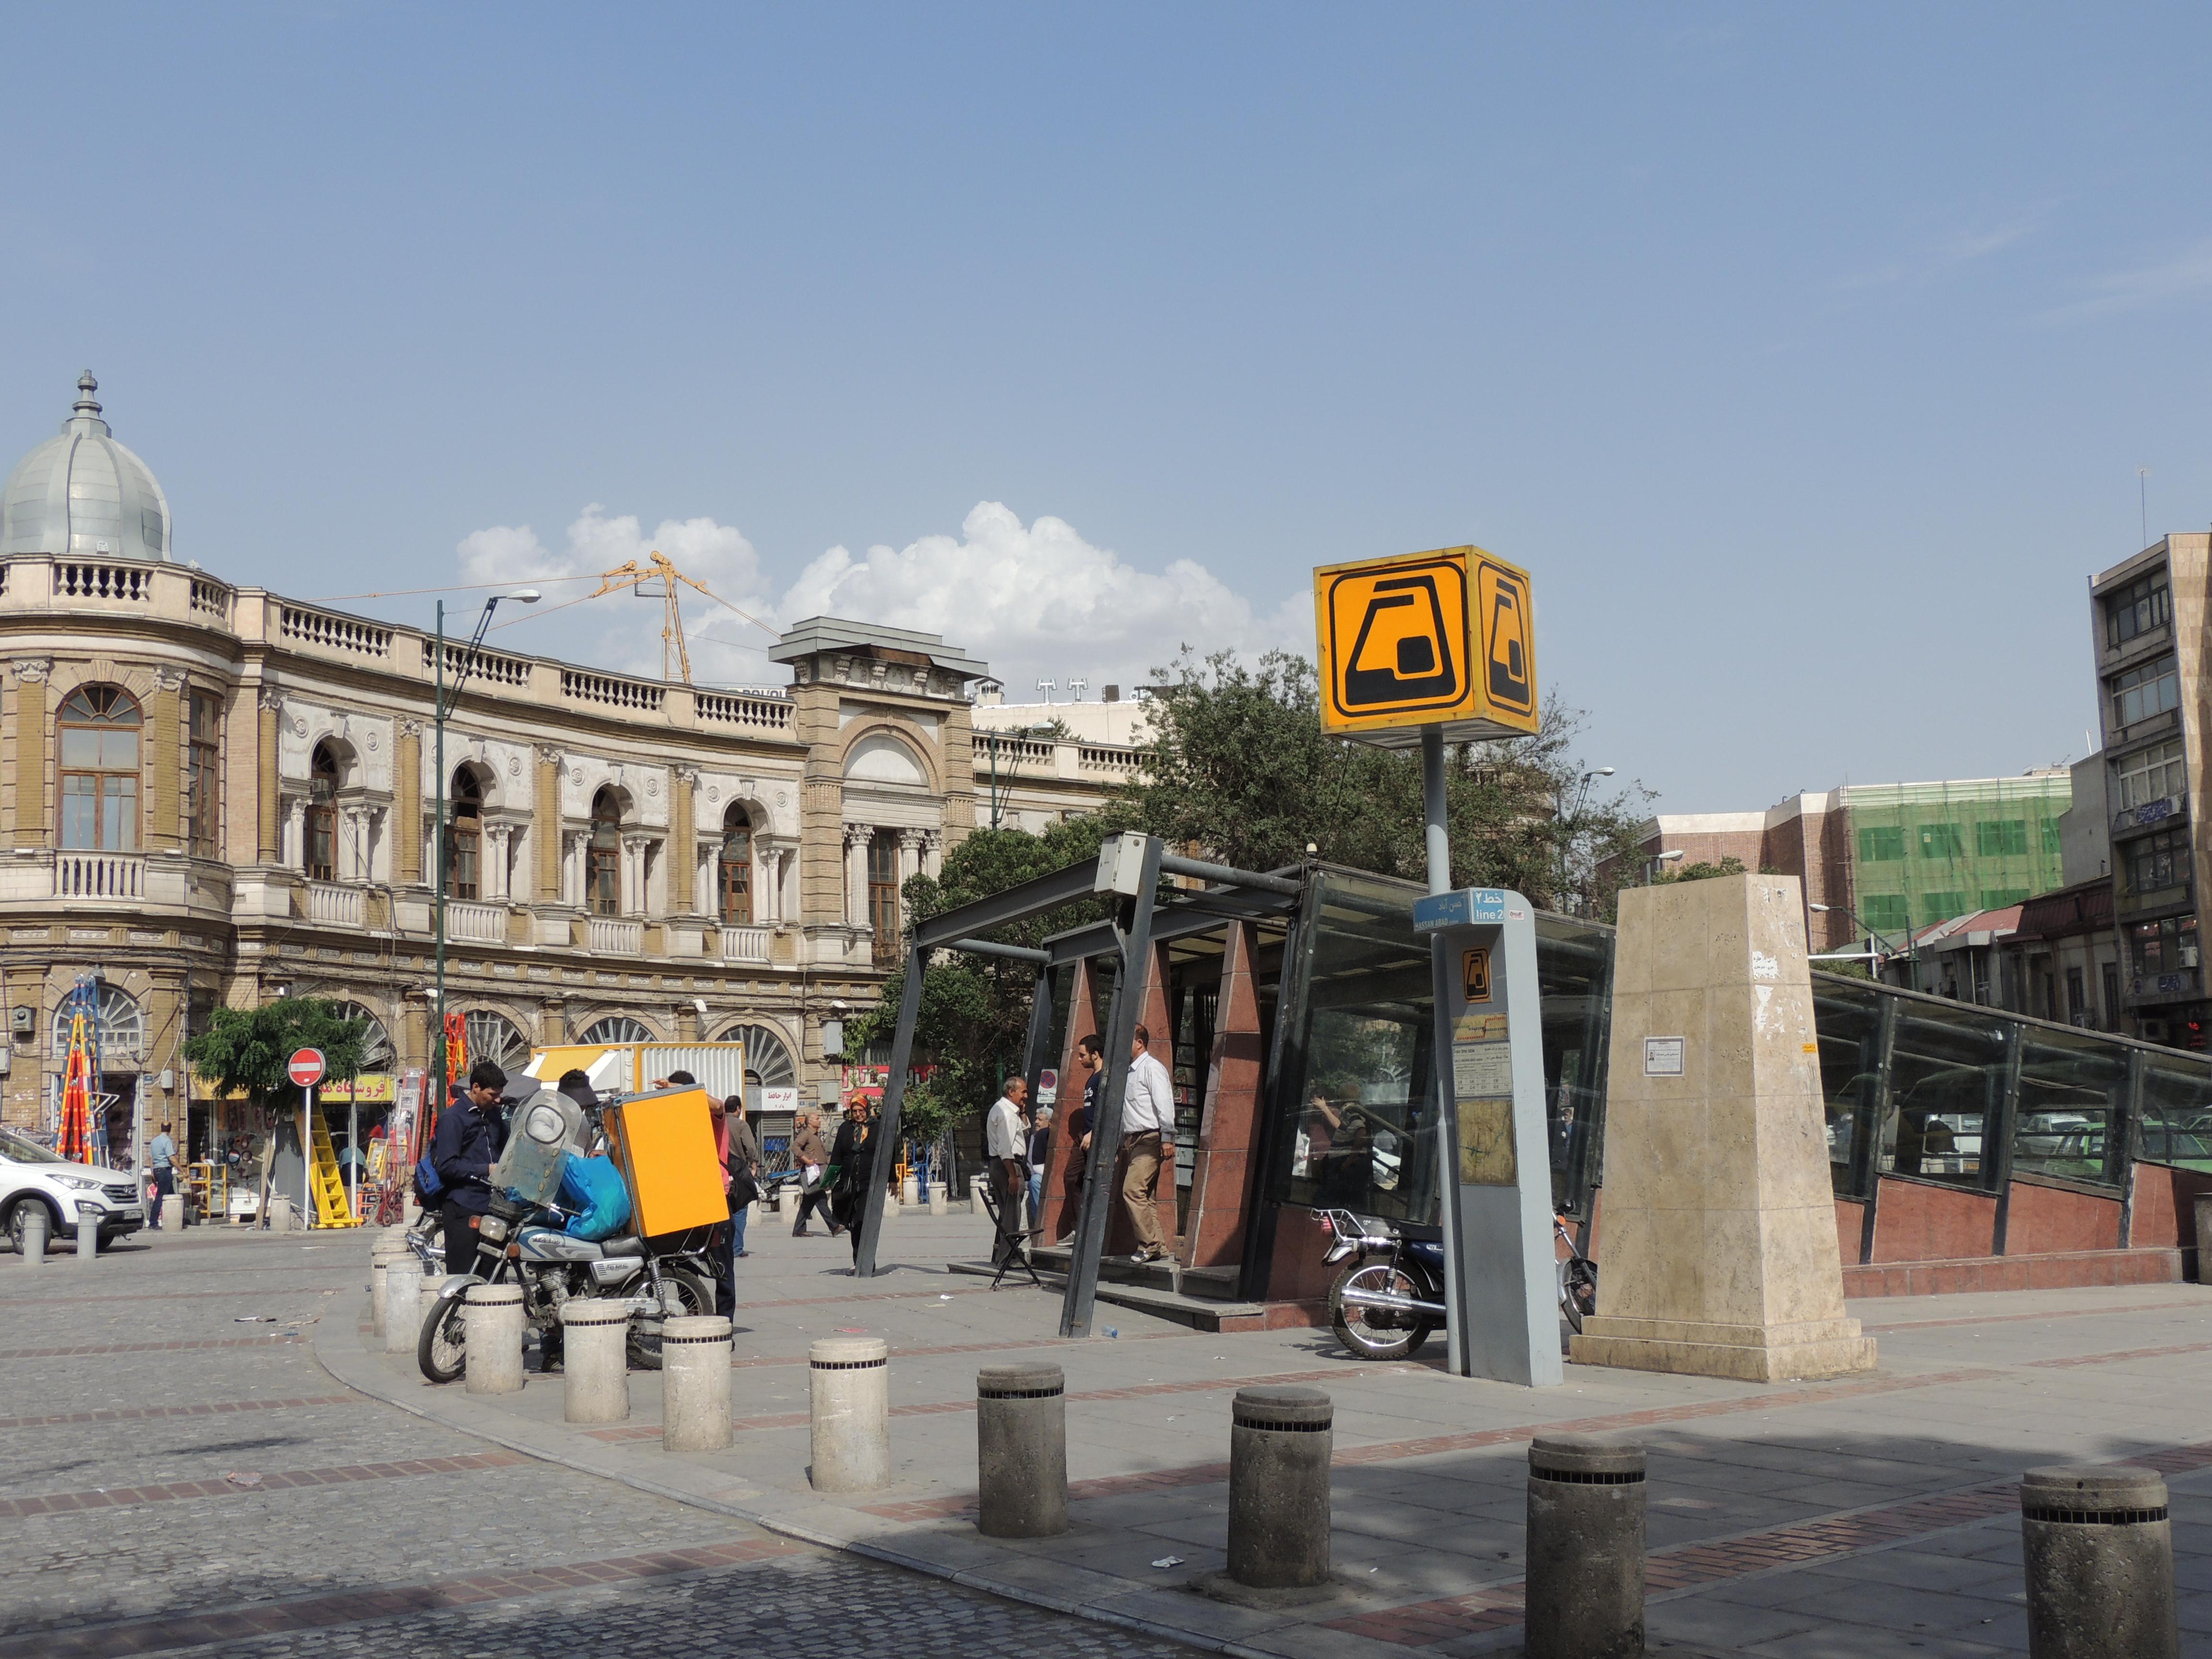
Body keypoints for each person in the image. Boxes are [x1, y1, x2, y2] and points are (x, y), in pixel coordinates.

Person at [430, 1060, 509, 1274]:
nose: (498, 1099)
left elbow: (505, 1149)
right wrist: (487, 1169)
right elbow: (446, 1166)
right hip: (462, 1206)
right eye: (493, 1094)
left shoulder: (494, 1116)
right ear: (476, 1088)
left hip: (493, 1207)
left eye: (500, 1094)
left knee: (493, 1275)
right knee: (464, 1275)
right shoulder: (453, 1118)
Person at [1118, 1025, 1176, 1264]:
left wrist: (1168, 1137)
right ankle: (1159, 1246)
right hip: (1134, 1141)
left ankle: (1149, 1245)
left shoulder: (1152, 1068)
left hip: (1151, 1138)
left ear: (1140, 1042)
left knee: (1131, 1191)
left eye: (1126, 1040)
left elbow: (1164, 1103)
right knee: (1145, 1197)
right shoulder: (1130, 1072)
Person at [707, 1094, 760, 1315]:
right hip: (727, 1187)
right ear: (738, 1108)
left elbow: (717, 1105)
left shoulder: (713, 1118)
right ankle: (724, 1322)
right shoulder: (740, 1124)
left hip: (721, 1187)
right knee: (725, 1263)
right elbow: (750, 1147)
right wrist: (754, 1164)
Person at [830, 1098, 887, 1265]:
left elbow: (887, 1155)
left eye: (861, 1110)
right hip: (849, 1182)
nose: (858, 1114)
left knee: (861, 1221)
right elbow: (837, 1155)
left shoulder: (877, 1128)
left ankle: (867, 1262)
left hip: (869, 1182)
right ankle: (858, 1260)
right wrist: (830, 1179)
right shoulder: (846, 1129)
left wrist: (892, 1180)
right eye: (854, 1111)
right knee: (852, 1223)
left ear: (867, 1110)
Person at [1058, 1034, 1103, 1240]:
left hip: (1097, 1137)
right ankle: (1078, 1229)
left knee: (1098, 1183)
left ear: (1095, 1055)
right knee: (1071, 1177)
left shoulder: (1104, 1078)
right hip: (1084, 1136)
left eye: (1082, 1055)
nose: (1079, 1059)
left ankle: (1093, 1231)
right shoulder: (1091, 1078)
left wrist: (1094, 1133)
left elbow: (1109, 1109)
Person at [985, 1077, 1028, 1267]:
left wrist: (1023, 1111)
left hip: (1001, 1165)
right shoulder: (1006, 1114)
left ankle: (1002, 1253)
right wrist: (1012, 1175)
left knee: (1007, 1212)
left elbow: (1025, 1129)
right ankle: (1007, 1257)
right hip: (1007, 1165)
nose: (1026, 1096)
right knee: (1012, 1213)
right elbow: (1005, 1149)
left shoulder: (1009, 1112)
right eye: (1023, 1092)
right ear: (1012, 1092)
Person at [790, 1111, 836, 1237]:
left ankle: (799, 1229)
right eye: (817, 1118)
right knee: (820, 1199)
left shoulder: (816, 1135)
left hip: (819, 1172)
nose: (819, 1120)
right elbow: (795, 1147)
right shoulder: (806, 1134)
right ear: (810, 1122)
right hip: (813, 1173)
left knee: (808, 1202)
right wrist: (807, 1160)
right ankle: (834, 1227)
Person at [1026, 1103, 1054, 1237]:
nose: (1036, 1122)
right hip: (1032, 1176)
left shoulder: (1048, 1136)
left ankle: (1045, 1222)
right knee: (1034, 1181)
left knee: (1036, 1180)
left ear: (1050, 1122)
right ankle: (1040, 1222)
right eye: (1036, 1119)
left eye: (1040, 1119)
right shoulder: (1031, 1138)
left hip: (1049, 1176)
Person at [146, 1122, 177, 1228]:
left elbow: (150, 1158)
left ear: (161, 1128)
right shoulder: (167, 1141)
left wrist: (152, 1173)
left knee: (172, 1195)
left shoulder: (155, 1141)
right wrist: (182, 1170)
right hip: (165, 1171)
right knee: (160, 1197)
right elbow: (172, 1158)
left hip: (157, 1171)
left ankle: (176, 1219)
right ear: (170, 1129)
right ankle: (153, 1222)